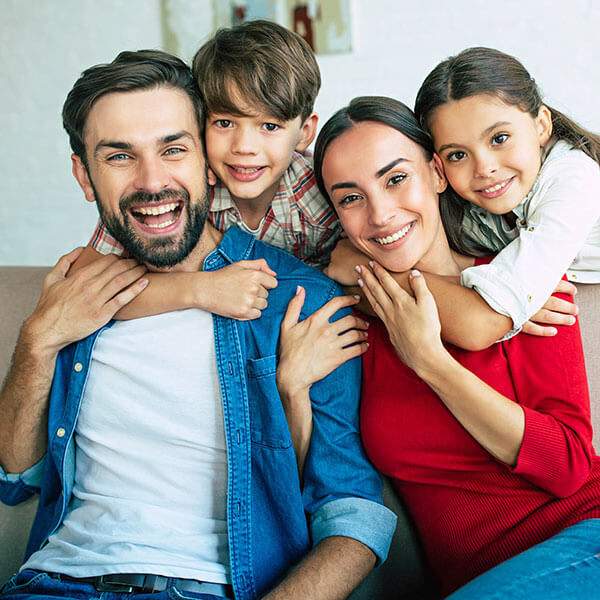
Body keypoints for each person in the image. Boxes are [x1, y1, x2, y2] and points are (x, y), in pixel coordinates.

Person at [0, 53, 395, 600]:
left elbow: (352, 516)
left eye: (173, 149)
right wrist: (37, 340)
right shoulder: (79, 297)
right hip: (52, 585)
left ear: (207, 161)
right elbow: (19, 477)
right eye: (119, 156)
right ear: (84, 176)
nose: (152, 181)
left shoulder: (301, 301)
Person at [282, 95, 600, 599]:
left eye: (395, 179)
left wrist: (430, 361)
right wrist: (291, 390)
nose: (381, 214)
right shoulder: (351, 319)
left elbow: (569, 466)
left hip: (583, 541)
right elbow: (312, 485)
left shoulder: (520, 286)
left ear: (434, 172)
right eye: (350, 198)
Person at [74, 20, 341, 323]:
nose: (244, 147)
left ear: (305, 133)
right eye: (225, 123)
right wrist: (198, 288)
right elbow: (85, 287)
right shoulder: (179, 192)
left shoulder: (320, 192)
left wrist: (350, 261)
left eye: (270, 126)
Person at [414, 46, 600, 337]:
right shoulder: (473, 201)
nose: (484, 168)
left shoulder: (574, 180)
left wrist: (378, 277)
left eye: (499, 138)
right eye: (457, 155)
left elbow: (485, 318)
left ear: (541, 126)